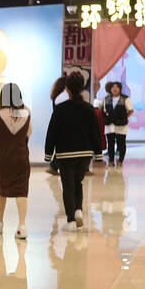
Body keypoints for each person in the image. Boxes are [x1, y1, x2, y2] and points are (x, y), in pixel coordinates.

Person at [44, 72, 101, 231]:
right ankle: (78, 211)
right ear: (82, 88)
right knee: (78, 183)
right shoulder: (89, 109)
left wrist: (48, 154)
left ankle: (70, 221)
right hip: (84, 154)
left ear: (67, 88)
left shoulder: (60, 109)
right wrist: (98, 154)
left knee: (67, 187)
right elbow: (95, 132)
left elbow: (52, 132)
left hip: (65, 155)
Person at [0, 82, 31, 239]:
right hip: (21, 157)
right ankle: (22, 226)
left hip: (2, 158)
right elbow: (28, 134)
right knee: (21, 191)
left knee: (1, 189)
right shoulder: (26, 112)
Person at [101, 81, 133, 167]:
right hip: (109, 124)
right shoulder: (106, 98)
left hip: (121, 124)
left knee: (121, 143)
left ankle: (120, 161)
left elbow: (130, 110)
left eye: (117, 87)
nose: (114, 89)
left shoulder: (125, 98)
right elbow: (103, 111)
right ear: (110, 89)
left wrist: (124, 117)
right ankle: (111, 161)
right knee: (110, 143)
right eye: (112, 87)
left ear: (120, 89)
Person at [46, 75, 67, 176]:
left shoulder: (57, 97)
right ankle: (53, 166)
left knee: (60, 147)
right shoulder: (62, 98)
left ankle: (54, 166)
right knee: (62, 148)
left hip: (58, 125)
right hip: (63, 125)